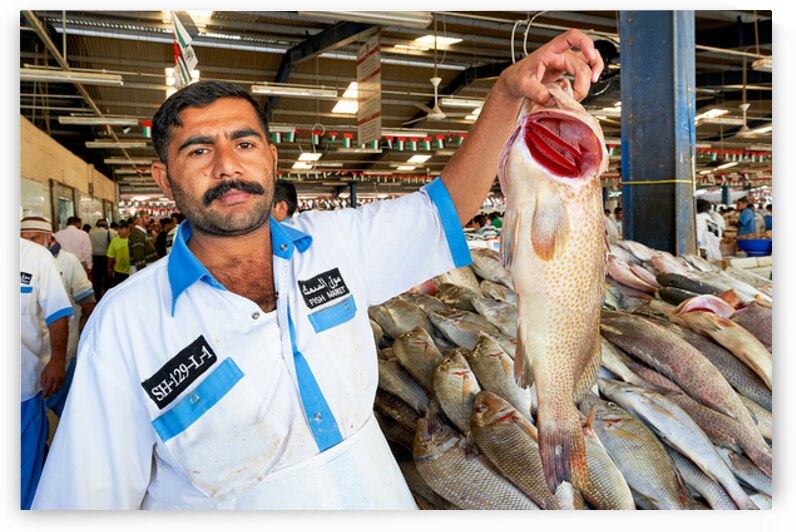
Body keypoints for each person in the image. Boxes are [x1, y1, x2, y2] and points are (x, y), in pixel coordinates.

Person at [32, 28, 604, 510]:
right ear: (164, 179)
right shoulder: (125, 323)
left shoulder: (336, 243)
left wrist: (506, 92)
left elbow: (447, 209)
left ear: (271, 158)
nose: (227, 166)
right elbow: (82, 503)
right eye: (199, 151)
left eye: (244, 144)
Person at [21, 217, 97, 418]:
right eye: (23, 238)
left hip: (64, 353)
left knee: (71, 412)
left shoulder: (68, 261)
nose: (28, 244)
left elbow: (88, 302)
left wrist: (88, 343)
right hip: (31, 361)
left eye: (33, 238)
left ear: (48, 237)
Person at [20, 231, 74, 509]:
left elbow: (57, 313)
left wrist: (57, 362)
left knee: (24, 477)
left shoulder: (35, 257)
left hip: (23, 391)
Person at [89, 218, 113, 300]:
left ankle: (97, 296)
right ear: (106, 226)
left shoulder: (91, 234)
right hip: (106, 258)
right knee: (107, 278)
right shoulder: (108, 233)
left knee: (96, 279)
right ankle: (107, 296)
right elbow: (111, 246)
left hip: (95, 258)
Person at [106, 220, 132, 287]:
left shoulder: (132, 240)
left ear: (128, 229)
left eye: (121, 229)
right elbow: (110, 255)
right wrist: (109, 267)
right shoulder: (114, 241)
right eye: (118, 229)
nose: (119, 231)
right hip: (118, 272)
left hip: (131, 271)